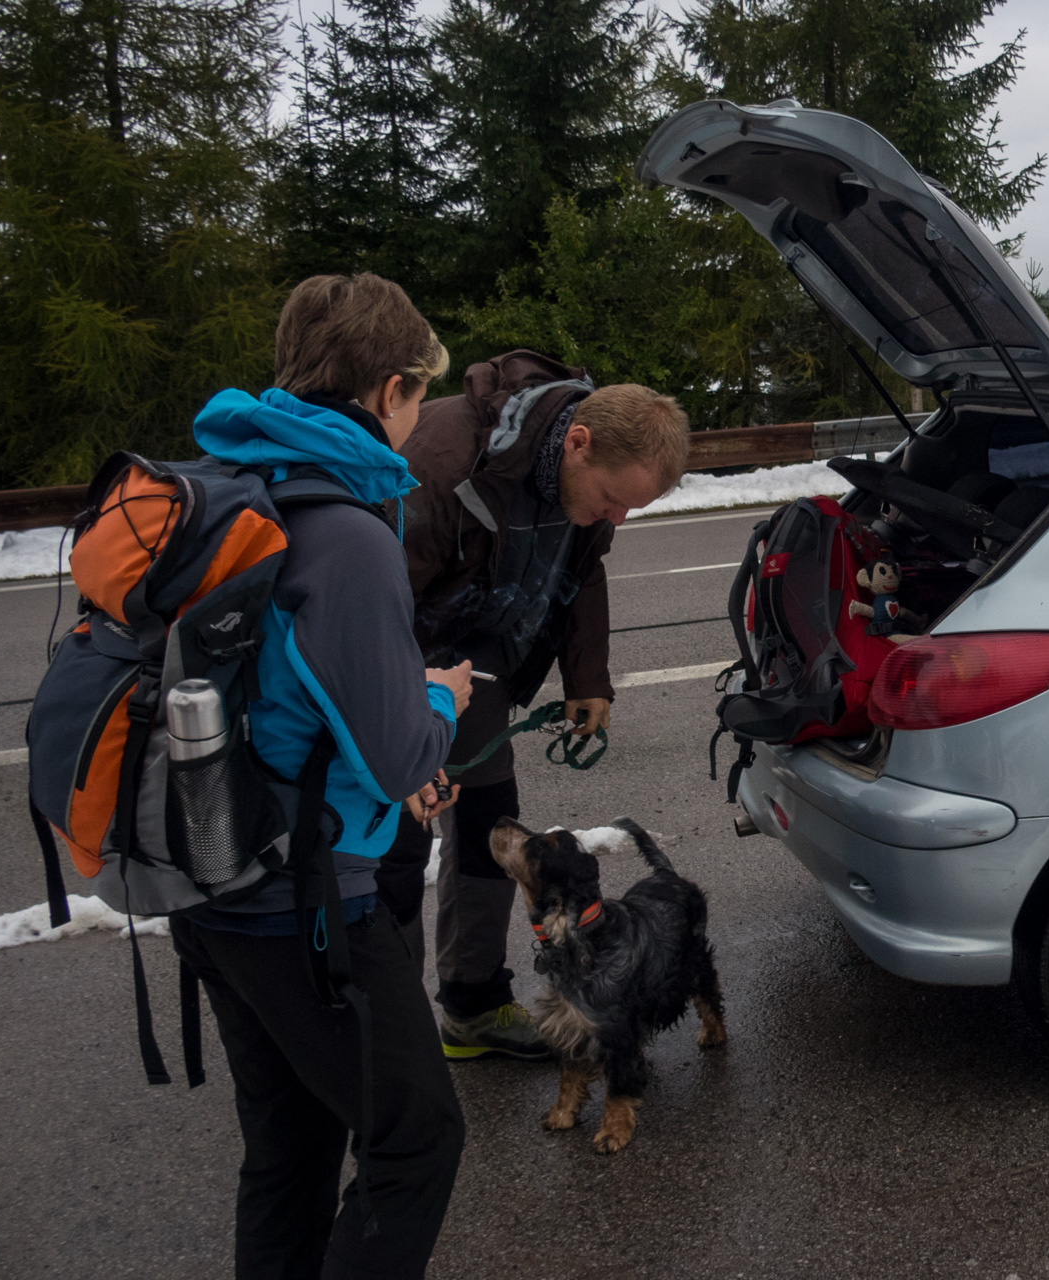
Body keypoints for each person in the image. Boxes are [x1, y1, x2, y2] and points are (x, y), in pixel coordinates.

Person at [169, 273, 472, 1279]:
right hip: (303, 907)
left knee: (291, 1146)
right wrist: (440, 699)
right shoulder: (342, 530)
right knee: (416, 1137)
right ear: (389, 389)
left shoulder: (223, 486)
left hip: (206, 876)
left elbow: (279, 698)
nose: (417, 413)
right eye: (419, 393)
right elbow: (397, 753)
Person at [377, 351, 690, 1060]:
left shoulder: (586, 482)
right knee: (392, 839)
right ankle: (383, 1031)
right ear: (577, 442)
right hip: (399, 660)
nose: (614, 517)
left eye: (628, 510)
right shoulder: (440, 457)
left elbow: (584, 572)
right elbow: (371, 608)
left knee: (489, 825)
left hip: (481, 661)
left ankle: (472, 1006)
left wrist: (588, 679)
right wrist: (402, 726)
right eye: (614, 499)